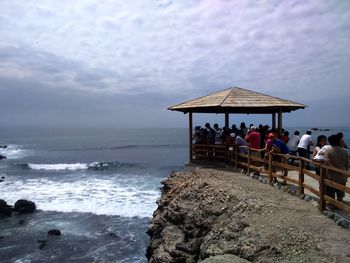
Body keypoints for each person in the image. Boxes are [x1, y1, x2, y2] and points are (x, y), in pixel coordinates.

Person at [324, 134, 349, 204]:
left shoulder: (328, 151)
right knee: (340, 190)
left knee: (330, 190)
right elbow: (347, 164)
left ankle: (332, 204)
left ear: (330, 142)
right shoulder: (344, 151)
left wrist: (334, 168)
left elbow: (326, 161)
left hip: (331, 174)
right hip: (342, 174)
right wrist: (344, 171)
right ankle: (340, 202)